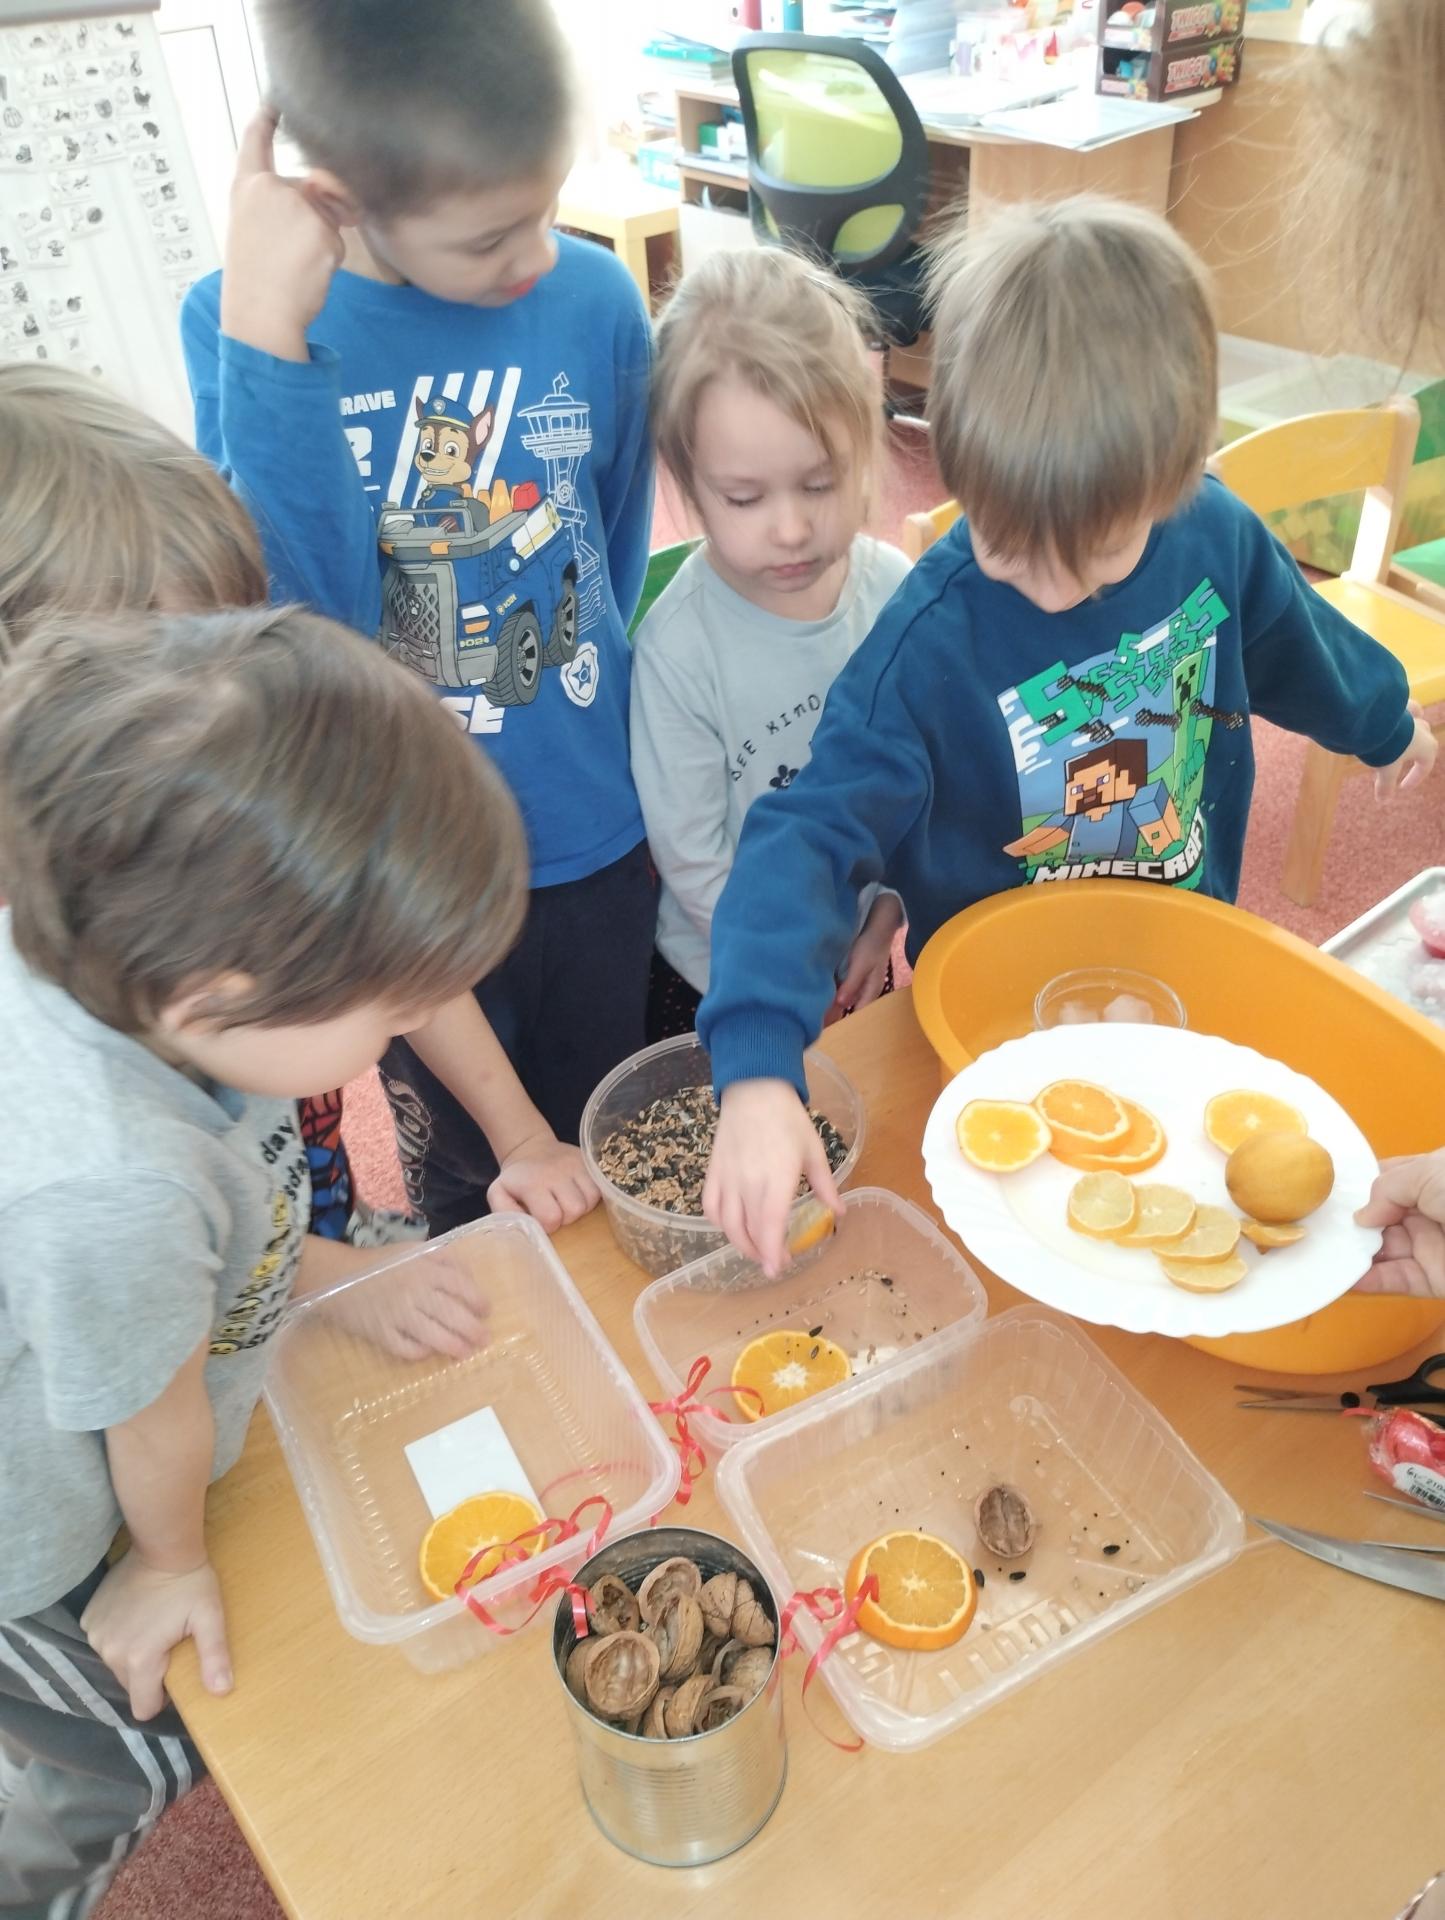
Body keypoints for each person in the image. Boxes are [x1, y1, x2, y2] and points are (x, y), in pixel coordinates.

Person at [695, 196, 1437, 1273]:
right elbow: (801, 838)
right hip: (995, 1014)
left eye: (1092, 552)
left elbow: (1292, 641)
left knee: (1177, 1204)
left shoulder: (1212, 531)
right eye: (1007, 545)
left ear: (1173, 478)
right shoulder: (925, 643)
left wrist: (1380, 723)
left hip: (1181, 953)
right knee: (1026, 1234)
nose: (1049, 588)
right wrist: (759, 1067)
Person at [0, 604, 528, 1917]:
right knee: (134, 1755)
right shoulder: (116, 1182)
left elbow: (217, 1235)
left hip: (133, 1361)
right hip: (41, 1542)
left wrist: (332, 1274)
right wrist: (169, 1560)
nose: (404, 1035)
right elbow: (153, 1415)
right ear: (218, 996)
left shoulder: (159, 980)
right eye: (389, 1012)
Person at [181, 0, 656, 1239]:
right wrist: (267, 338)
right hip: (406, 868)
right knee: (468, 1174)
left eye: (548, 205)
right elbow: (293, 634)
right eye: (491, 234)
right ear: (337, 197)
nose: (538, 254)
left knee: (613, 1124)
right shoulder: (239, 322)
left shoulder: (597, 299)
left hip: (594, 825)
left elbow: (609, 544)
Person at [0, 364, 597, 1240]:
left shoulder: (206, 775)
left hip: (283, 1221)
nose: (232, 695)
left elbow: (393, 944)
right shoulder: (90, 1151)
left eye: (232, 642)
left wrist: (521, 1138)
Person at [631, 248, 910, 1043]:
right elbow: (692, 860)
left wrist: (888, 911)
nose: (790, 528)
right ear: (688, 480)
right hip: (725, 975)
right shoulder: (678, 650)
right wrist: (787, 969)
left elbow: (921, 782)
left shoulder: (896, 592)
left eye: (819, 484)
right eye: (744, 497)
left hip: (857, 958)